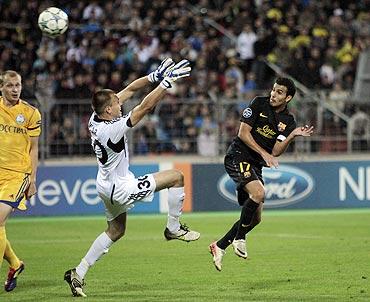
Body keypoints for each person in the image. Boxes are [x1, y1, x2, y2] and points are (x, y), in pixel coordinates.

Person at [64, 58, 200, 297]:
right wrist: (165, 85)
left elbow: (129, 90)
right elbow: (144, 109)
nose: (120, 103)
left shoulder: (95, 119)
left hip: (105, 185)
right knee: (176, 177)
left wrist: (152, 77)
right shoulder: (111, 129)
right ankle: (173, 228)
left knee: (116, 231)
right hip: (121, 188)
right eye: (116, 103)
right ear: (109, 109)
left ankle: (78, 272)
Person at [209, 77, 314, 271]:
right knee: (258, 193)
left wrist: (292, 135)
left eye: (279, 92)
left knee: (256, 219)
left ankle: (220, 246)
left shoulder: (288, 121)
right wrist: (263, 153)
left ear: (288, 98)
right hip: (238, 156)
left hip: (255, 165)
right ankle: (239, 238)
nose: (274, 94)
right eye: (274, 90)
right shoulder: (258, 103)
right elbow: (243, 133)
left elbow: (275, 151)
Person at [0, 70, 41, 290]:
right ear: (2, 87)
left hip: (17, 176)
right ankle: (15, 264)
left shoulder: (30, 113)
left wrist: (32, 179)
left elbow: (34, 149)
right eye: (10, 86)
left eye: (17, 85)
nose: (15, 89)